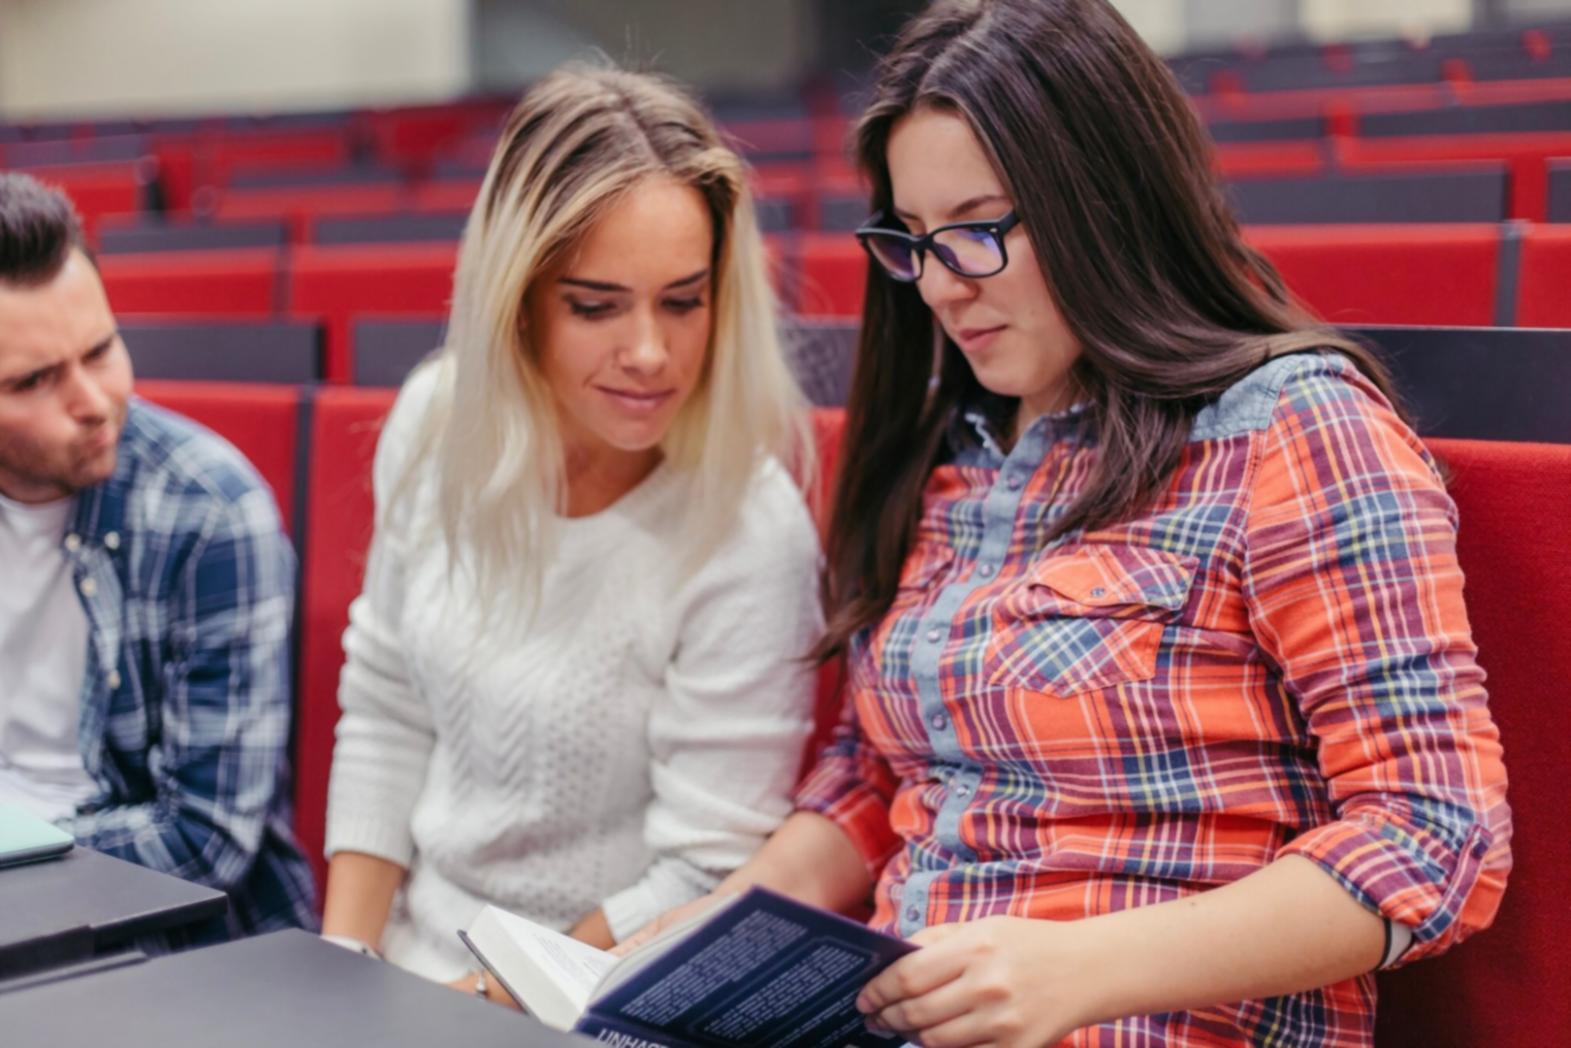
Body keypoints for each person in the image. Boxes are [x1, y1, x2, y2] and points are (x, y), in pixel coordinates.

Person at [627, 2, 1513, 1044]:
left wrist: (1077, 971)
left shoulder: (1292, 428)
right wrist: (725, 922)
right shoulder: (951, 451)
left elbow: (1434, 836)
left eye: (976, 230)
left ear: (1104, 200)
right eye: (912, 242)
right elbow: (878, 770)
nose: (942, 287)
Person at [317, 66, 823, 995]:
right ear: (520, 305)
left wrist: (486, 1000)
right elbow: (388, 707)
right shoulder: (435, 422)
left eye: (683, 301)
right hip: (415, 967)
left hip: (603, 988)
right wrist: (345, 968)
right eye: (595, 305)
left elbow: (701, 873)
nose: (649, 353)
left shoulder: (747, 526)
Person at [0, 172, 316, 939]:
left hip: (161, 926)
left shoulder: (207, 510)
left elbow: (204, 840)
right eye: (35, 380)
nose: (94, 401)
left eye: (101, 350)